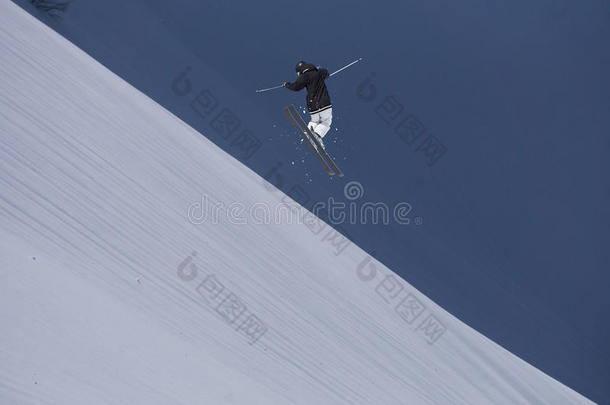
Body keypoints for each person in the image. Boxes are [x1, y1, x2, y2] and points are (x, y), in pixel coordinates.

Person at [283, 61, 332, 149]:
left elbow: (296, 87)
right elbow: (326, 73)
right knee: (326, 122)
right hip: (323, 103)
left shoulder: (303, 76)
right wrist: (322, 75)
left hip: (312, 105)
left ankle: (309, 133)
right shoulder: (318, 72)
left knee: (314, 121)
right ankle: (315, 136)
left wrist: (287, 85)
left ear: (299, 71)